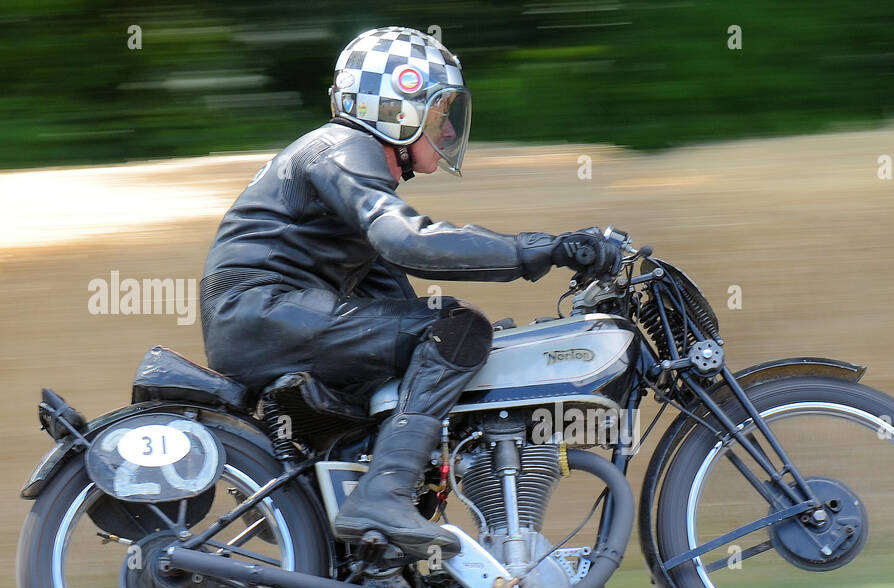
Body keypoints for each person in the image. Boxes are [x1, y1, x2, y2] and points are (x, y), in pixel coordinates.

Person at [198, 25, 619, 560]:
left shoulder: (355, 175)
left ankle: (380, 543)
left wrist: (470, 345)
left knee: (451, 327)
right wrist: (547, 250)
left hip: (269, 314)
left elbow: (395, 300)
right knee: (459, 326)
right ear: (394, 109)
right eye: (438, 112)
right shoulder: (341, 147)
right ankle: (383, 495)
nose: (446, 129)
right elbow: (407, 241)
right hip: (263, 310)